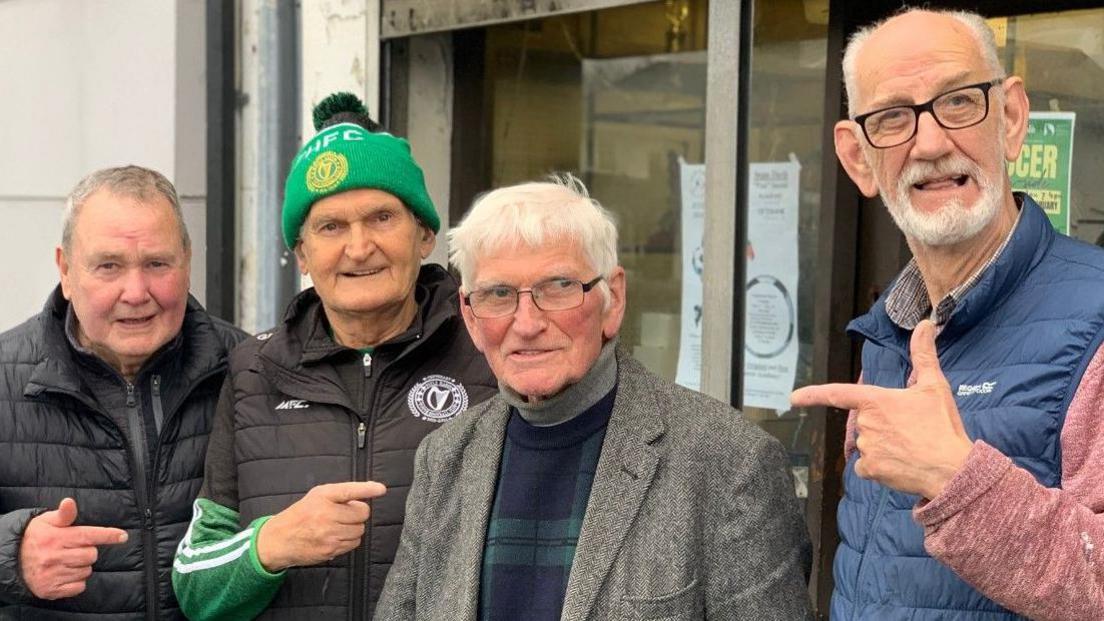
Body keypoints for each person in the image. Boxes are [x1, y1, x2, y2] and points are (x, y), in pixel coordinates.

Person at [375, 175, 813, 620]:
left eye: (559, 286)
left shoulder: (728, 461)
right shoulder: (445, 457)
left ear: (613, 298)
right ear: (470, 316)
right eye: (499, 294)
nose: (526, 323)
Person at [790, 9, 1104, 621]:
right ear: (858, 158)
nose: (931, 143)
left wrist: (957, 478)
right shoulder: (887, 337)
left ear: (1011, 119)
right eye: (892, 118)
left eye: (959, 103)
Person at [171, 92, 498, 619]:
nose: (359, 246)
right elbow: (195, 586)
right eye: (331, 227)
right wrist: (270, 545)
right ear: (302, 254)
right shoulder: (253, 371)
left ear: (426, 236)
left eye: (382, 217)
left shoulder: (490, 352)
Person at [0, 165, 247, 618]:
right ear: (66, 270)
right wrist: (10, 557)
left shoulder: (249, 370)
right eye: (108, 266)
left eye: (157, 264)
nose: (135, 292)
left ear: (187, 263)